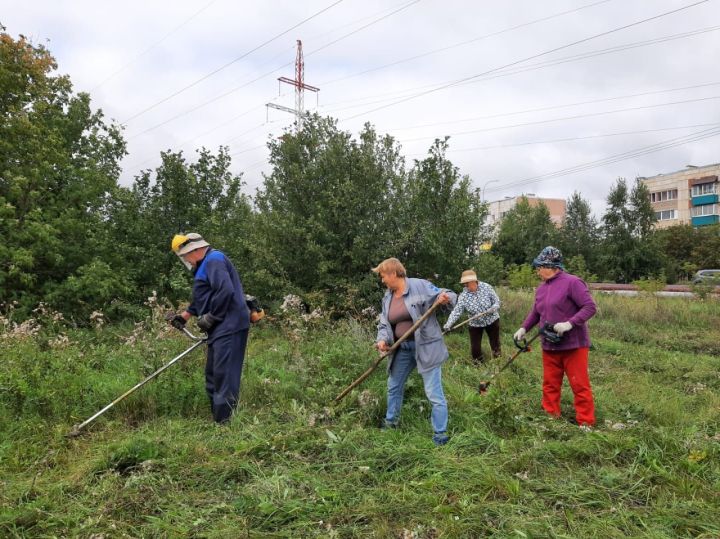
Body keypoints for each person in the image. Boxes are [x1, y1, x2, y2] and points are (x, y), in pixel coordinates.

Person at [373, 258, 457, 446]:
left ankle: (440, 435)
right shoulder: (387, 297)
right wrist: (382, 339)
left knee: (433, 392)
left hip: (426, 347)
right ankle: (391, 423)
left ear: (393, 273)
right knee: (394, 386)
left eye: (383, 276)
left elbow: (450, 294)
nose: (382, 280)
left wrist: (445, 298)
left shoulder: (420, 286)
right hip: (402, 349)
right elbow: (384, 324)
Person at [168, 233, 250, 424]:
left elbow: (226, 290)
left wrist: (213, 316)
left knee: (224, 375)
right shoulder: (203, 266)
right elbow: (203, 297)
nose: (186, 260)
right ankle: (219, 418)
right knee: (213, 374)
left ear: (195, 250)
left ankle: (224, 424)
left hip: (229, 324)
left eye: (186, 256)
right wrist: (185, 316)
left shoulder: (214, 260)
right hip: (220, 327)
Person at [513, 246, 597, 427]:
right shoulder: (542, 289)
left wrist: (570, 323)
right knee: (550, 384)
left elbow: (590, 307)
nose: (538, 271)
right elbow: (536, 312)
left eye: (540, 267)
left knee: (579, 385)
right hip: (549, 344)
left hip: (573, 345)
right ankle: (551, 417)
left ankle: (586, 422)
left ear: (552, 266)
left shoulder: (573, 282)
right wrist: (523, 328)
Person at [443, 269, 501, 363]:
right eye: (464, 283)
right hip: (475, 324)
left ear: (474, 281)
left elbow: (497, 301)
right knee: (475, 348)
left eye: (467, 283)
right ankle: (478, 366)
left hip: (492, 320)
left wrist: (493, 308)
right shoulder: (463, 296)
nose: (465, 285)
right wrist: (448, 324)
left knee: (495, 344)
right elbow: (456, 311)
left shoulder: (486, 287)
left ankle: (498, 362)